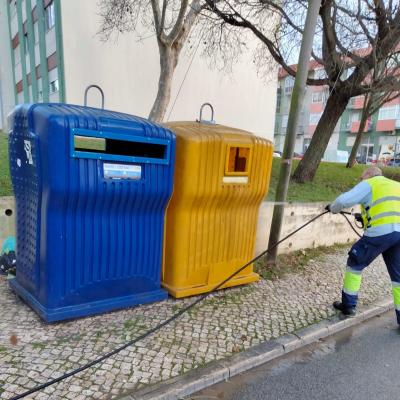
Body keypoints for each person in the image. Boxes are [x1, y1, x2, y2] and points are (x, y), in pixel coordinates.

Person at [326, 166, 400, 326]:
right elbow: (385, 209)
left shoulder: (370, 183)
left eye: (361, 177)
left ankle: (348, 306)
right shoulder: (396, 185)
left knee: (355, 261)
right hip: (399, 234)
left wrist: (332, 208)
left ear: (368, 174)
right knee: (398, 277)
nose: (360, 180)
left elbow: (342, 201)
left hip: (381, 233)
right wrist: (364, 217)